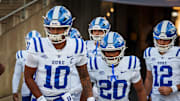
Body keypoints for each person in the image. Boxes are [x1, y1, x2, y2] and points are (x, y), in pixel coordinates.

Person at [24, 6, 95, 101]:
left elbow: (84, 77)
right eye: (51, 28)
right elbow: (28, 77)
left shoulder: (77, 46)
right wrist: (40, 98)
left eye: (59, 28)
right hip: (39, 97)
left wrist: (89, 97)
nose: (54, 32)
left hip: (63, 98)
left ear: (68, 27)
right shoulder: (37, 45)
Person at [87, 31, 147, 101]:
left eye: (114, 51)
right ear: (102, 51)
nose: (111, 55)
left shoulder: (131, 63)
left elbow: (140, 90)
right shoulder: (94, 64)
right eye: (108, 51)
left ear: (122, 50)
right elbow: (85, 88)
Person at [144, 20, 180, 101]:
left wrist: (172, 89)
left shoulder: (178, 53)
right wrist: (146, 96)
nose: (161, 42)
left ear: (173, 39)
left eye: (165, 40)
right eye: (159, 39)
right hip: (155, 98)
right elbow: (149, 78)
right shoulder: (149, 52)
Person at [12, 30, 41, 101]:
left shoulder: (22, 55)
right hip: (37, 89)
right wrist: (14, 91)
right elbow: (17, 74)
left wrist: (14, 91)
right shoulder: (45, 55)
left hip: (32, 88)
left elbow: (17, 74)